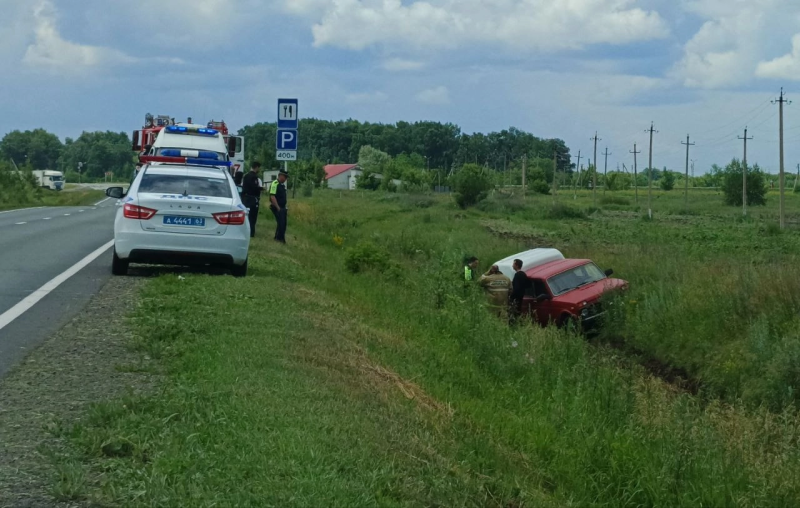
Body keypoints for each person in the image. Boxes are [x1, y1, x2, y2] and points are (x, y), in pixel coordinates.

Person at [241, 162, 263, 238]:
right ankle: (251, 233)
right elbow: (254, 188)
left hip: (245, 199)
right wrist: (261, 188)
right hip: (252, 199)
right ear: (256, 167)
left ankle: (244, 231)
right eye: (259, 168)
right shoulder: (254, 177)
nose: (259, 169)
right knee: (252, 217)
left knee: (246, 216)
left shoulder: (245, 176)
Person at [269, 167, 289, 244]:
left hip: (282, 207)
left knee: (283, 223)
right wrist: (278, 207)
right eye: (285, 177)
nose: (286, 178)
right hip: (277, 207)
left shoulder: (282, 185)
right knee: (281, 223)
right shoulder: (275, 184)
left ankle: (279, 238)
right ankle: (279, 239)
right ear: (280, 175)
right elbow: (272, 196)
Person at [509, 259, 531, 325]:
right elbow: (528, 285)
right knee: (518, 310)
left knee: (513, 311)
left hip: (516, 297)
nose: (512, 266)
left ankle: (513, 324)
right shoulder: (523, 274)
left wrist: (511, 296)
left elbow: (516, 288)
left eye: (513, 264)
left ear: (516, 265)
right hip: (521, 296)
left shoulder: (517, 275)